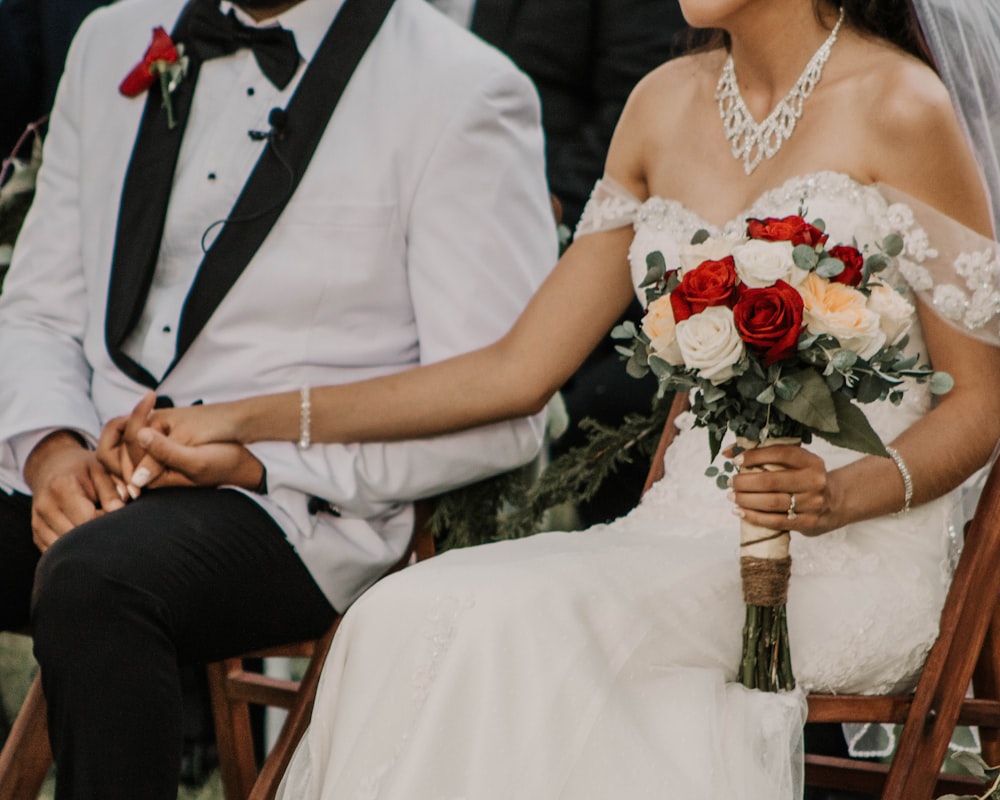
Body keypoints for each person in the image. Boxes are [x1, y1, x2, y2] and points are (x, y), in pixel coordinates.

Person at [100, 0, 1000, 796]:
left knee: (526, 629)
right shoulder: (660, 105)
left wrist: (843, 495)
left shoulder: (899, 104)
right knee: (405, 612)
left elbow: (984, 401)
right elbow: (514, 370)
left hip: (845, 547)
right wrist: (244, 418)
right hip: (673, 534)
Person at [0, 0, 556, 795]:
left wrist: (259, 459)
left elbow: (501, 412)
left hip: (296, 504)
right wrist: (52, 451)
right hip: (93, 460)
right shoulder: (111, 40)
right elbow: (39, 307)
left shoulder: (462, 88)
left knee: (100, 581)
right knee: (93, 558)